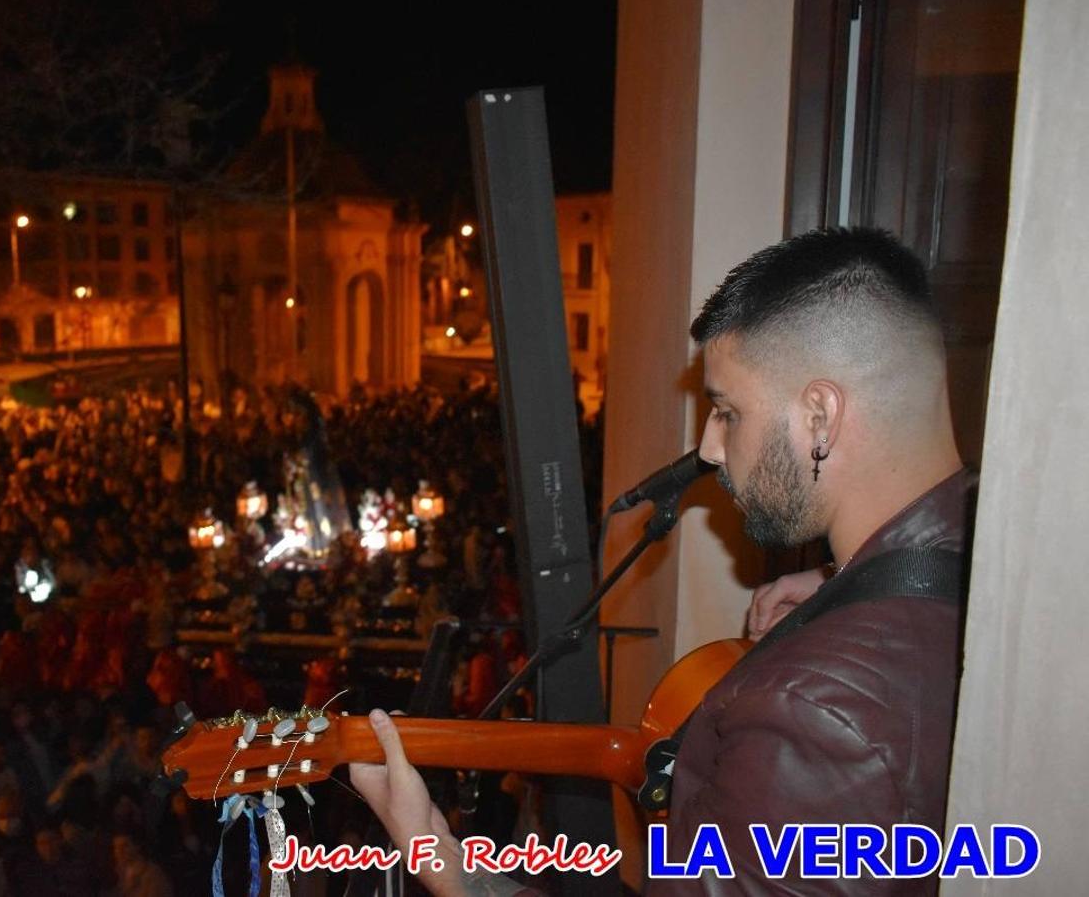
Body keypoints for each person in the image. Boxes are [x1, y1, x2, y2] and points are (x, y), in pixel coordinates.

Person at [350, 228, 972, 895]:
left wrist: (452, 873)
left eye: (727, 412)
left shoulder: (813, 711)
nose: (708, 447)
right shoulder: (993, 564)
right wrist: (843, 583)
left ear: (820, 416)